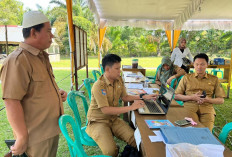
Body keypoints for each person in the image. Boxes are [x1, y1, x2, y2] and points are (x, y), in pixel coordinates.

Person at [0, 11, 67, 156]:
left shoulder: (41, 56)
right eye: (48, 31)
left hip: (50, 131)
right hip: (35, 138)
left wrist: (57, 92)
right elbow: (12, 101)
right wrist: (22, 136)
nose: (52, 36)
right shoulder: (18, 60)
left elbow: (36, 88)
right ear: (33, 32)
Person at [86, 54, 158, 157]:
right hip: (98, 121)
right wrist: (131, 107)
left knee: (136, 140)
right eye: (117, 68)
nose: (119, 71)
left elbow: (125, 97)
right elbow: (105, 110)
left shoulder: (118, 79)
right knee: (110, 151)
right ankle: (115, 149)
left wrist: (143, 96)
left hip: (114, 119)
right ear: (107, 69)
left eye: (119, 67)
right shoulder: (99, 85)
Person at [175, 53, 225, 131]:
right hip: (190, 107)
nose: (199, 67)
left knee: (206, 132)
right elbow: (176, 96)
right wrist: (192, 97)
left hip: (207, 109)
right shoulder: (186, 78)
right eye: (197, 64)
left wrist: (208, 99)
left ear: (207, 65)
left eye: (202, 64)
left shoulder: (214, 79)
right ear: (193, 64)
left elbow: (221, 100)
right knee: (191, 130)